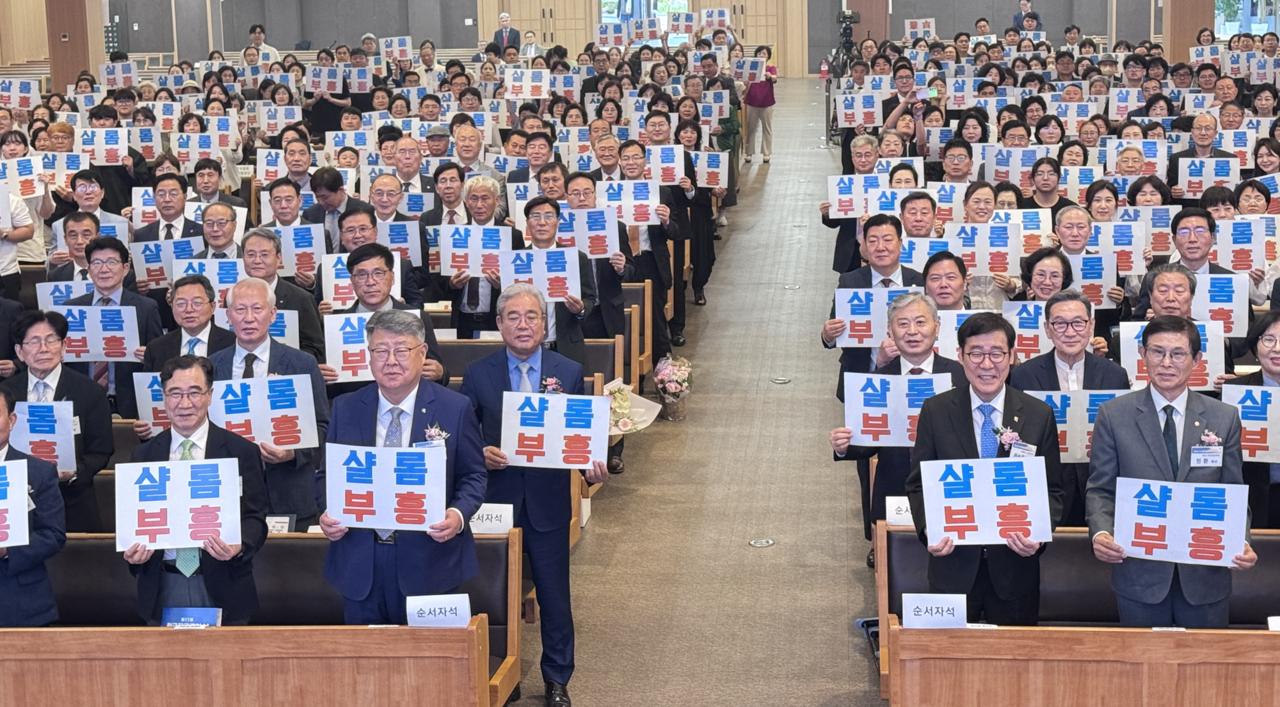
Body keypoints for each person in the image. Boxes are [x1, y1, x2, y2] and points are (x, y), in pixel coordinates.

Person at [461, 283, 609, 707]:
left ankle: (557, 678)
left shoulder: (567, 370)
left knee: (554, 595)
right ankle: (495, 676)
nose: (522, 325)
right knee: (492, 593)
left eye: (531, 317)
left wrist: (591, 467)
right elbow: (462, 438)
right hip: (494, 501)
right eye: (513, 317)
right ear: (498, 324)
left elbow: (579, 439)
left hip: (546, 502)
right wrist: (480, 455)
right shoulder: (478, 373)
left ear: (545, 324)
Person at [318, 309, 487, 623]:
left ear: (422, 353)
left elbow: (473, 475)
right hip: (360, 561)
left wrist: (458, 514)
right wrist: (326, 513)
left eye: (401, 350)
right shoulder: (346, 407)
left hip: (430, 559)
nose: (390, 361)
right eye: (380, 351)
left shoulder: (454, 407)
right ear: (369, 356)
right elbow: (326, 477)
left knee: (429, 664)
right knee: (367, 665)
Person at [1087, 315, 1256, 628]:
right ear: (1142, 355)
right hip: (1139, 571)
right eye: (1157, 351)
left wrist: (1240, 540)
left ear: (1196, 360)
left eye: (1178, 354)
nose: (1166, 362)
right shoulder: (1114, 414)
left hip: (1205, 574)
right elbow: (1100, 488)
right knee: (1142, 672)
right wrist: (1101, 531)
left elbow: (1232, 492)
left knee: (1206, 672)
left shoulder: (1224, 417)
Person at [905, 312, 1065, 625]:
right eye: (976, 353)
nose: (987, 364)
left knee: (1014, 666)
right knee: (949, 665)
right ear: (960, 356)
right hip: (952, 565)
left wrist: (1039, 536)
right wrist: (929, 530)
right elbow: (918, 484)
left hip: (1014, 568)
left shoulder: (1038, 414)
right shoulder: (936, 411)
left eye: (996, 353)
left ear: (1012, 356)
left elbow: (1053, 490)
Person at [123, 355, 269, 626]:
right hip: (163, 584)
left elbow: (255, 517)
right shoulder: (143, 456)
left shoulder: (241, 452)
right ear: (164, 398)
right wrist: (133, 555)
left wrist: (239, 546)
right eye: (175, 394)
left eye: (194, 392)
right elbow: (134, 523)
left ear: (210, 395)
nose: (185, 403)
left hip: (224, 582)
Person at [830, 292, 967, 566]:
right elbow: (867, 443)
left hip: (953, 487)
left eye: (920, 322)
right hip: (894, 488)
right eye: (903, 324)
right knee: (899, 572)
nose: (912, 332)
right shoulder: (877, 381)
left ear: (937, 327)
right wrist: (843, 446)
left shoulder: (962, 375)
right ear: (890, 331)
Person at [208, 278, 329, 530]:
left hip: (289, 492)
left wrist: (293, 453)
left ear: (272, 314)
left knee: (287, 569)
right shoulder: (211, 366)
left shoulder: (302, 364)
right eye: (240, 310)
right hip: (230, 494)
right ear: (228, 316)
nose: (248, 318)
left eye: (257, 308)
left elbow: (323, 429)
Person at [1010, 289, 1131, 526]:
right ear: (1047, 328)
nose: (1070, 332)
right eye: (1060, 324)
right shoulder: (1024, 375)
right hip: (1048, 487)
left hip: (1100, 486)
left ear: (1091, 325)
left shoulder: (1114, 374)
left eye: (1078, 323)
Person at [2, 311, 113, 533]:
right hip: (13, 502)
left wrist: (74, 473)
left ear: (63, 347)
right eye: (34, 341)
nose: (43, 348)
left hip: (72, 502)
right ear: (19, 352)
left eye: (51, 340)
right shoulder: (6, 392)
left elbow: (101, 451)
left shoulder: (90, 392)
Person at [320, 242, 449, 393]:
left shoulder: (417, 318)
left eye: (378, 273)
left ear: (392, 277)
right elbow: (332, 390)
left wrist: (439, 373)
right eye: (362, 275)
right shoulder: (336, 325)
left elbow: (440, 378)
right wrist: (322, 378)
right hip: (356, 407)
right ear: (352, 281)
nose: (370, 282)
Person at [822, 214, 925, 399]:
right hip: (863, 377)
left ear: (900, 244)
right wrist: (828, 334)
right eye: (873, 241)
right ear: (865, 247)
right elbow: (833, 333)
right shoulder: (850, 280)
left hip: (913, 379)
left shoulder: (918, 281)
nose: (880, 247)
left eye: (887, 240)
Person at [64, 237, 163, 419]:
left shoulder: (146, 307)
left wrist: (149, 355)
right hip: (82, 402)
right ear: (88, 269)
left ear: (125, 269)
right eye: (97, 263)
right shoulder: (72, 309)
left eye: (111, 262)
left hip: (128, 402)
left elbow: (158, 359)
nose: (104, 269)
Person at [0, 383, 64, 626]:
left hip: (21, 600)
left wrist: (7, 550)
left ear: (12, 420)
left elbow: (54, 535)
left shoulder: (39, 471)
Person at [515, 196, 596, 370]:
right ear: (528, 224)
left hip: (567, 347)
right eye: (535, 217)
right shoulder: (516, 260)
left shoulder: (576, 258)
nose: (542, 222)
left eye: (549, 216)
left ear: (558, 222)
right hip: (524, 348)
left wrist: (580, 308)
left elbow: (591, 299)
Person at [240, 228, 326, 363]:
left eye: (264, 255)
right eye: (251, 254)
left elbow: (315, 348)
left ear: (278, 258)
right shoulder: (234, 298)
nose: (257, 260)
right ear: (243, 257)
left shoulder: (301, 299)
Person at [1229, 310, 1280, 529]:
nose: (1277, 348)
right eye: (1269, 339)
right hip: (1253, 498)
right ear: (1255, 347)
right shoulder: (1235, 392)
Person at [140, 274, 234, 374]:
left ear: (212, 307)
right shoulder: (156, 348)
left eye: (197, 303)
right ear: (172, 307)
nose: (189, 309)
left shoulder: (232, 343)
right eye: (181, 304)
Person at [1167, 114, 1236, 206]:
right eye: (1198, 128)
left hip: (1218, 211)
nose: (1203, 133)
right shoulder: (1176, 159)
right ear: (1192, 132)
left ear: (1215, 133)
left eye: (1207, 129)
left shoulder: (1230, 159)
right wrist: (1174, 191)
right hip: (1189, 211)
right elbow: (1170, 191)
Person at [302, 167, 373, 253]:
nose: (321, 202)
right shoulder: (310, 214)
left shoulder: (364, 211)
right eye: (318, 197)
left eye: (325, 197)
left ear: (341, 190)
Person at [743, 46, 777, 163]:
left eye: (764, 54)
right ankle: (749, 152)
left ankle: (766, 152)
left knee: (766, 128)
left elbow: (774, 78)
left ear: (768, 57)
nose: (761, 55)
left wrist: (770, 76)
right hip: (752, 101)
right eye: (759, 53)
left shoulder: (770, 68)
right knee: (750, 128)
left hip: (766, 102)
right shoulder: (750, 69)